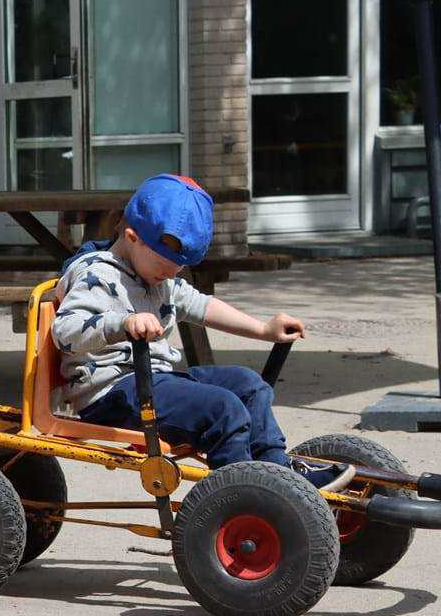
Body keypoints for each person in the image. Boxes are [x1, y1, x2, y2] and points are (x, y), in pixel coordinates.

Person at [52, 172, 355, 490]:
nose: (170, 274)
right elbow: (66, 332)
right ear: (132, 237)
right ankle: (243, 495)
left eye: (177, 268)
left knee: (248, 385)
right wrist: (122, 323)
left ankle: (277, 475)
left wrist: (263, 329)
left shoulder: (156, 275)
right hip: (111, 394)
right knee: (222, 409)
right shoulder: (94, 275)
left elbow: (201, 305)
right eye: (164, 265)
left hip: (151, 382)